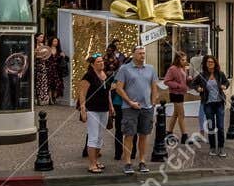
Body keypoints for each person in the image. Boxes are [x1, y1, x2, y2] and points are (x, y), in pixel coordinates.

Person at [113, 45, 159, 174]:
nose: (142, 56)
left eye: (143, 53)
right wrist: (130, 102)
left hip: (147, 107)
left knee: (144, 135)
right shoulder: (125, 69)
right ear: (133, 55)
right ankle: (128, 162)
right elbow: (119, 88)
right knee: (129, 135)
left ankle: (142, 161)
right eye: (139, 53)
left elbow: (154, 86)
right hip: (129, 107)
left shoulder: (150, 69)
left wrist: (153, 102)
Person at [77, 53, 112, 174]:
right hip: (92, 109)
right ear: (92, 64)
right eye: (98, 62)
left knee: (100, 137)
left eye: (102, 61)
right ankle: (91, 164)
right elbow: (82, 94)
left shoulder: (104, 75)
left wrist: (111, 107)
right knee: (93, 136)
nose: (101, 63)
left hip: (104, 109)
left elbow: (107, 92)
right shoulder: (88, 76)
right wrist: (83, 110)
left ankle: (96, 160)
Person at [191, 54, 230, 157]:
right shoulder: (202, 75)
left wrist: (224, 86)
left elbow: (226, 82)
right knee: (211, 126)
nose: (210, 64)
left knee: (220, 126)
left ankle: (221, 148)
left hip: (219, 103)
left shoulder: (220, 74)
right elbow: (193, 83)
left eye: (211, 62)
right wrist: (198, 88)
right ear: (205, 64)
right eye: (208, 62)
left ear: (215, 63)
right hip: (208, 104)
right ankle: (212, 147)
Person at [164, 51, 190, 144]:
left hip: (181, 93)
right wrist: (178, 86)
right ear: (178, 59)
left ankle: (169, 132)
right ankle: (184, 136)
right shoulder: (172, 69)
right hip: (175, 93)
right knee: (181, 114)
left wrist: (188, 79)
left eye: (185, 59)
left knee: (176, 114)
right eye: (183, 60)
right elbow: (166, 81)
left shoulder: (183, 68)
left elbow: (183, 79)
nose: (184, 61)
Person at [34, 38, 53, 106]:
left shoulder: (43, 45)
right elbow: (33, 55)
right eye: (40, 37)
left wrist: (44, 56)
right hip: (35, 64)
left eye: (42, 37)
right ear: (37, 37)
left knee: (42, 82)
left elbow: (47, 53)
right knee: (35, 82)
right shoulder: (33, 44)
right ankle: (35, 99)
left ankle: (42, 99)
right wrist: (36, 54)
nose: (42, 38)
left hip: (42, 65)